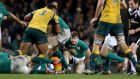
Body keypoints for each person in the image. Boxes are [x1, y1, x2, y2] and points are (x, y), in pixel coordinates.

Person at [90, 0, 137, 73]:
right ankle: (136, 65)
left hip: (106, 21)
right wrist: (115, 8)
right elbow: (124, 6)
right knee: (121, 46)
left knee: (99, 48)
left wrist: (96, 17)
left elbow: (101, 3)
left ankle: (93, 69)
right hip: (117, 23)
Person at [128, 0, 140, 74]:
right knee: (129, 50)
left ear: (137, 4)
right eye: (129, 4)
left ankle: (134, 70)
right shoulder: (130, 10)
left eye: (132, 4)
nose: (130, 6)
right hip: (135, 34)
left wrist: (134, 30)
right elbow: (130, 19)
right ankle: (133, 70)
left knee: (133, 49)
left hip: (138, 33)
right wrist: (129, 29)